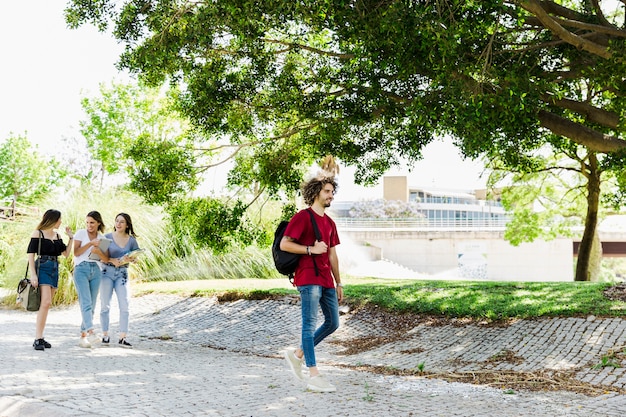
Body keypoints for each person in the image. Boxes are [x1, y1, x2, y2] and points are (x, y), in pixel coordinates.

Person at [281, 175, 343, 392]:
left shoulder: (330, 223)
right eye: (327, 191)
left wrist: (339, 282)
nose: (331, 196)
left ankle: (297, 354)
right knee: (308, 325)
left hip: (326, 279)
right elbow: (285, 244)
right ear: (316, 192)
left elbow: (333, 256)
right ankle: (314, 375)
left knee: (333, 323)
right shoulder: (302, 217)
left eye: (332, 192)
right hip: (308, 277)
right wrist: (310, 249)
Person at [27, 209, 74, 351]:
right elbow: (30, 255)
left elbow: (65, 254)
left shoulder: (58, 235)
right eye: (59, 219)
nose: (60, 222)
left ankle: (40, 337)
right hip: (43, 267)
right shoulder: (38, 233)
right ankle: (37, 338)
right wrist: (33, 275)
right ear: (53, 219)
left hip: (54, 268)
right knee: (46, 302)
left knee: (46, 304)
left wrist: (70, 238)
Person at [100, 213, 140, 348]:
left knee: (125, 305)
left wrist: (131, 259)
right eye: (117, 221)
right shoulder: (107, 238)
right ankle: (105, 335)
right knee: (105, 305)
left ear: (127, 224)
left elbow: (136, 257)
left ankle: (123, 337)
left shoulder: (132, 240)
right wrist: (112, 260)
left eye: (122, 222)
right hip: (106, 272)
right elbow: (97, 256)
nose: (118, 224)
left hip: (122, 274)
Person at [73, 211, 108, 348]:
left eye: (92, 222)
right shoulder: (81, 233)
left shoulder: (102, 238)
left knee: (92, 305)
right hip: (81, 269)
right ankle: (91, 332)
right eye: (87, 222)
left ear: (98, 222)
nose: (89, 225)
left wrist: (98, 251)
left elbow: (105, 259)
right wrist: (90, 244)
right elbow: (76, 253)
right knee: (86, 302)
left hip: (96, 270)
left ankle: (83, 337)